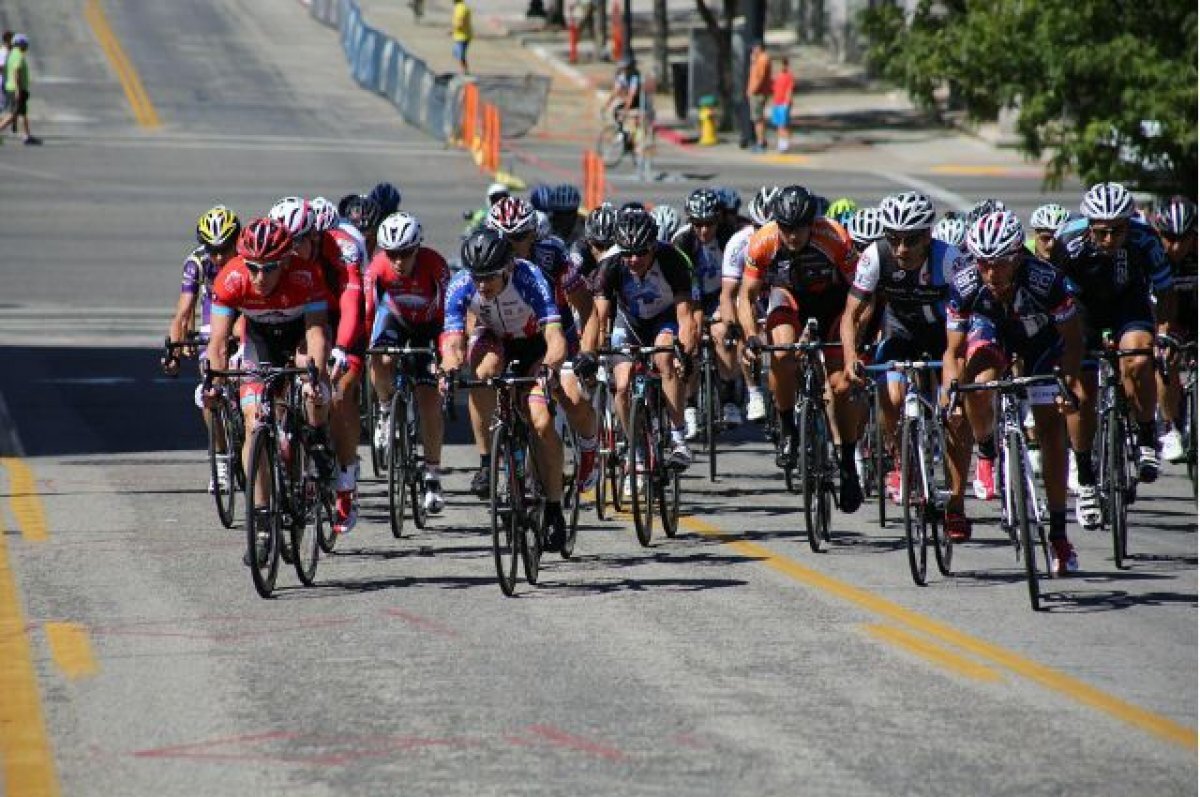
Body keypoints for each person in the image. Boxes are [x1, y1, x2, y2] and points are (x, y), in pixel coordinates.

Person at [942, 211, 1087, 576]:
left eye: (1001, 264)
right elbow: (953, 351)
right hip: (994, 334)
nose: (991, 273)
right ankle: (986, 444)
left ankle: (1057, 533)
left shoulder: (1046, 280)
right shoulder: (966, 283)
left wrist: (1067, 383)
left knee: (1052, 429)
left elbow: (1072, 340)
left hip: (1042, 344)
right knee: (978, 377)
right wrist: (950, 388)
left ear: (1017, 257)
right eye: (984, 264)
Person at [204, 218, 335, 565]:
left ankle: (318, 439)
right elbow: (218, 343)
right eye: (254, 268)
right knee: (254, 421)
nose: (260, 277)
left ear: (287, 260)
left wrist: (315, 379)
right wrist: (214, 384)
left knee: (312, 387)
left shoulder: (306, 275)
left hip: (299, 338)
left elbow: (317, 335)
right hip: (259, 342)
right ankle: (263, 521)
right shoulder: (232, 277)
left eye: (269, 268)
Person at [441, 228, 572, 551]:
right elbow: (453, 341)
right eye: (477, 277)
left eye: (490, 277)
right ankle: (490, 459)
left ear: (507, 269)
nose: (482, 285)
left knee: (541, 421)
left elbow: (555, 337)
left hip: (532, 346)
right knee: (482, 372)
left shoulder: (530, 278)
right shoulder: (460, 285)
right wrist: (449, 370)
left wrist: (548, 370)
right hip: (494, 338)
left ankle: (554, 507)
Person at [738, 185, 866, 512]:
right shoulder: (764, 240)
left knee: (839, 386)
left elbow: (862, 291)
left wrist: (857, 335)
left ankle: (849, 463)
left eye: (799, 228)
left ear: (813, 222)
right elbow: (746, 296)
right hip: (789, 299)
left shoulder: (834, 236)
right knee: (780, 353)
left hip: (834, 304)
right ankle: (788, 428)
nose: (792, 236)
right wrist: (752, 335)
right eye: (786, 228)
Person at [1052, 182, 1174, 510]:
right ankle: (1086, 478)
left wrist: (1162, 333)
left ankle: (1147, 435)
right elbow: (1052, 297)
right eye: (1102, 232)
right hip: (1083, 307)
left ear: (1128, 224)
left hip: (1127, 303)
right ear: (1089, 225)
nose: (1109, 240)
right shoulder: (1067, 241)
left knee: (1137, 358)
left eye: (1118, 231)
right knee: (1082, 392)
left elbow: (1164, 290)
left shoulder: (1145, 238)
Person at [840, 192, 965, 507]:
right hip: (900, 330)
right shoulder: (874, 256)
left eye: (910, 241)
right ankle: (903, 460)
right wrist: (850, 357)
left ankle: (955, 495)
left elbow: (972, 316)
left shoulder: (949, 260)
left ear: (927, 235)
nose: (900, 249)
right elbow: (850, 315)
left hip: (943, 334)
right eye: (893, 239)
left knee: (952, 411)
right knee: (892, 398)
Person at [584, 208, 698, 472]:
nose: (633, 259)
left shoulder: (672, 259)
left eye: (640, 253)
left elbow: (686, 317)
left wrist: (686, 354)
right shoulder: (610, 265)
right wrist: (593, 354)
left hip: (663, 318)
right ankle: (634, 448)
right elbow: (599, 317)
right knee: (622, 386)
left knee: (666, 358)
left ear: (653, 248)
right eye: (627, 253)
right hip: (630, 322)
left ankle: (679, 438)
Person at [365, 212, 452, 513]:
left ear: (417, 249)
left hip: (430, 325)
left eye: (405, 253)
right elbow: (366, 315)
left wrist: (444, 358)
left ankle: (432, 474)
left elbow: (449, 316)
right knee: (379, 355)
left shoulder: (435, 265)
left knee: (430, 402)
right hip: (394, 321)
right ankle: (385, 411)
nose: (398, 261)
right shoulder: (377, 269)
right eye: (392, 254)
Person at [163, 206, 242, 492]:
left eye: (225, 249)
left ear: (237, 242)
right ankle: (221, 460)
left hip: (242, 311)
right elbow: (184, 311)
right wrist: (174, 348)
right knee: (209, 389)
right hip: (213, 315)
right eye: (213, 250)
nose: (219, 257)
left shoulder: (247, 259)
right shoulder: (196, 262)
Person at [1153, 197, 1197, 463]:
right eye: (1169, 237)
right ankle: (1170, 425)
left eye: (1186, 238)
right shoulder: (1151, 254)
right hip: (1165, 316)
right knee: (1164, 360)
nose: (1177, 246)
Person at [0, 34, 39, 145]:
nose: (26, 47)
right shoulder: (17, 55)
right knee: (14, 114)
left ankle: (27, 136)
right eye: (25, 44)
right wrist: (18, 90)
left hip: (14, 88)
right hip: (16, 89)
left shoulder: (13, 54)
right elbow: (16, 72)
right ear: (21, 44)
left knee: (22, 113)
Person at [745, 42, 772, 152]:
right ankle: (761, 140)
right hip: (758, 92)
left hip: (758, 93)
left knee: (757, 119)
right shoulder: (759, 59)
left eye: (754, 49)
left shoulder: (762, 59)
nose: (752, 52)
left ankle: (761, 143)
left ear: (758, 48)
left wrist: (752, 90)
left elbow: (760, 77)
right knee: (758, 118)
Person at [770, 56, 794, 152]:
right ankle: (780, 143)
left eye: (783, 65)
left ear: (786, 65)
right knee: (779, 124)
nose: (780, 67)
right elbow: (774, 89)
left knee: (784, 125)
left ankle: (785, 144)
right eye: (778, 65)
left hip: (784, 103)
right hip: (776, 102)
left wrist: (787, 102)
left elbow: (789, 90)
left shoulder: (788, 76)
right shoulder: (776, 77)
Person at [451, 0, 472, 74]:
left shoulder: (460, 8)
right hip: (462, 35)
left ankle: (465, 71)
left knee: (460, 56)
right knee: (457, 54)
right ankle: (464, 71)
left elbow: (460, 23)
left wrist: (452, 30)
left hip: (462, 36)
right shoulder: (461, 7)